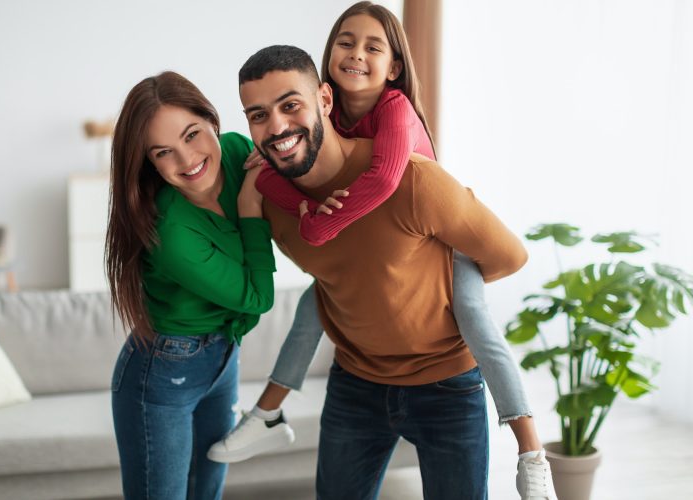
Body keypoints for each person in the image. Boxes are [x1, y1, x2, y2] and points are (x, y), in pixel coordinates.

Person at [208, 4, 554, 499]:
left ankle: (530, 450)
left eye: (291, 105)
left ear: (323, 99)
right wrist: (255, 198)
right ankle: (267, 412)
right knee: (317, 298)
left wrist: (443, 287)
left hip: (448, 386)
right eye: (259, 115)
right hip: (355, 383)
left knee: (474, 310)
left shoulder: (408, 163)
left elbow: (506, 255)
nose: (277, 126)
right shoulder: (276, 185)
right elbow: (274, 218)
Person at [105, 71, 275, 500]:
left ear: (212, 121)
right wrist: (251, 204)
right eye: (164, 152)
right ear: (150, 164)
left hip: (223, 358)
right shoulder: (172, 235)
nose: (187, 159)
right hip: (164, 373)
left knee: (209, 492)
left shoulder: (239, 151)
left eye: (192, 134)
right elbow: (258, 298)